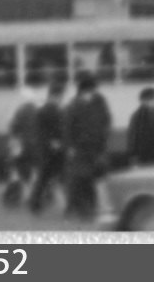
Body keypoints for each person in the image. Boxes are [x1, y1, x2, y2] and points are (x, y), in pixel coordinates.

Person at [63, 73, 113, 221]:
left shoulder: (100, 102)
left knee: (92, 178)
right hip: (80, 147)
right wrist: (70, 147)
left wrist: (104, 137)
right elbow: (67, 128)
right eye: (90, 91)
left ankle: (88, 207)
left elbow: (106, 119)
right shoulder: (73, 106)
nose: (92, 94)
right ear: (83, 91)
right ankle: (81, 208)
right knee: (81, 178)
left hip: (96, 146)